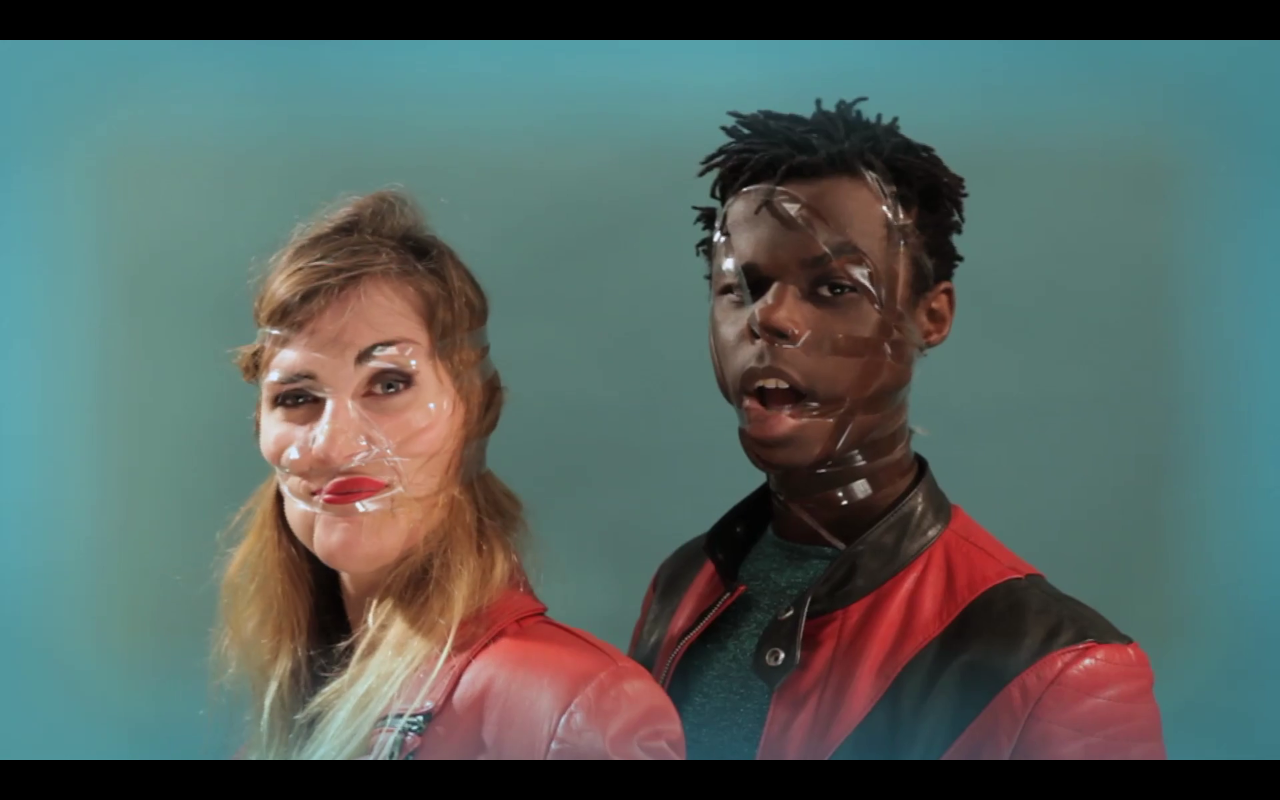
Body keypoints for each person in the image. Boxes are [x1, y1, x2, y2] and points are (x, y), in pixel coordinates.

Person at [628, 98, 1167, 760]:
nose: (768, 318)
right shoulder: (684, 583)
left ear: (931, 316)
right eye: (742, 287)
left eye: (834, 287)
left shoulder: (1056, 668)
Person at [217, 189, 685, 760]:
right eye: (296, 397)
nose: (335, 445)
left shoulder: (578, 709)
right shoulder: (294, 707)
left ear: (472, 410)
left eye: (389, 383)